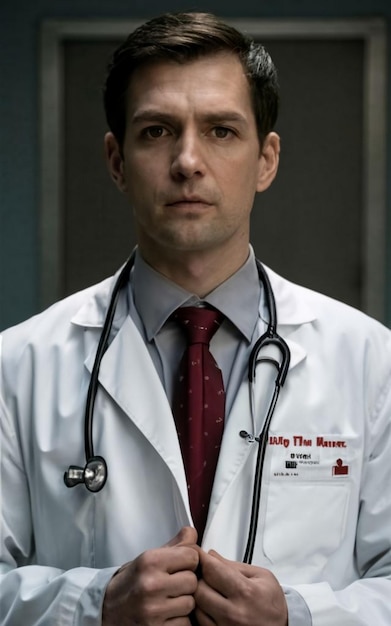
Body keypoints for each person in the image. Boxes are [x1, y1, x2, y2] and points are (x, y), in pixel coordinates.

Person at [0, 11, 390, 626]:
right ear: (116, 161)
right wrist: (90, 605)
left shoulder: (372, 362)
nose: (187, 160)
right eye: (156, 131)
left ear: (266, 159)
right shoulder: (18, 365)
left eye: (221, 131)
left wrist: (299, 615)